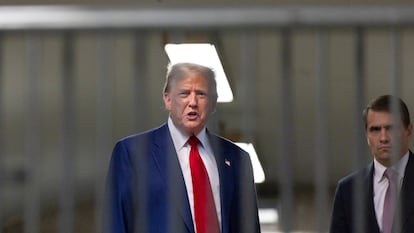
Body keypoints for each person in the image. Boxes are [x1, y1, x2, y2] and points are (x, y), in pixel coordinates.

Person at [104, 62, 261, 233]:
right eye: (184, 93)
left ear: (214, 103)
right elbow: (116, 224)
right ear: (168, 100)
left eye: (201, 94)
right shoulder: (132, 153)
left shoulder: (238, 159)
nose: (192, 102)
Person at [330, 95, 414, 233]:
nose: (383, 138)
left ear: (409, 130)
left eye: (390, 128)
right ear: (367, 135)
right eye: (375, 130)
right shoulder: (347, 190)